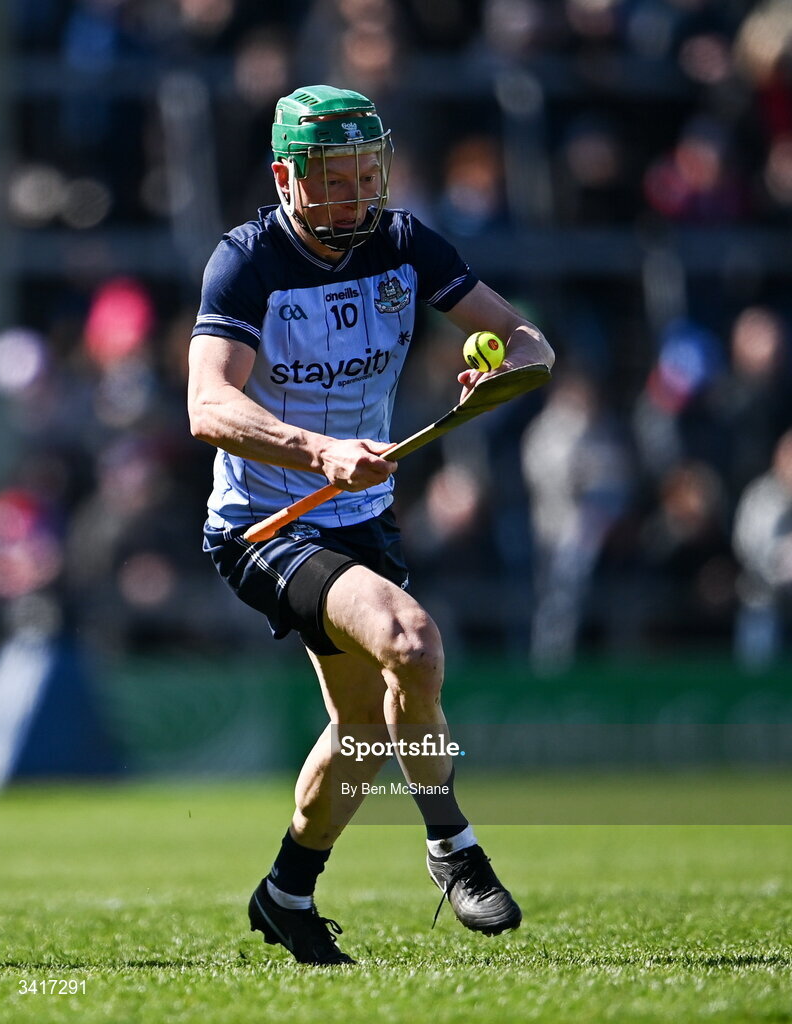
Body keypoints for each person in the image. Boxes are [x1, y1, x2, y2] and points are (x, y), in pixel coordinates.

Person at [188, 84, 555, 965]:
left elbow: (531, 345)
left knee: (361, 728)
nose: (358, 197)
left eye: (367, 176)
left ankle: (286, 893)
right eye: (336, 181)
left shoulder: (403, 242)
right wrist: (316, 450)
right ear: (286, 176)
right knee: (411, 641)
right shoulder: (247, 262)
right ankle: (453, 846)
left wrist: (498, 378)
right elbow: (207, 404)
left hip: (364, 518)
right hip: (268, 522)